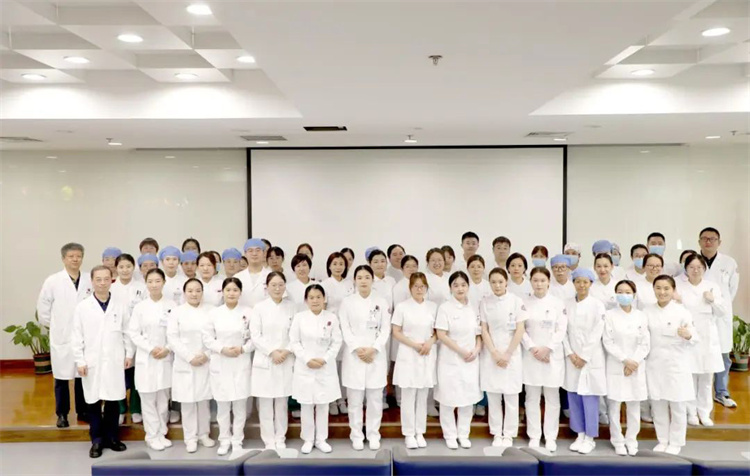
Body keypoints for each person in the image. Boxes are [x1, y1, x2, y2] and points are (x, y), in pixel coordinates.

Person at [71, 265, 130, 458]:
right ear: (92, 281)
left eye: (106, 279)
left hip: (114, 360)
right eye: (98, 279)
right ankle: (96, 440)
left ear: (111, 280)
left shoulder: (120, 305)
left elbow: (127, 332)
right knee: (93, 402)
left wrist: (129, 354)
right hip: (91, 361)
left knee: (113, 400)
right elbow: (76, 336)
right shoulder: (83, 307)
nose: (103, 283)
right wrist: (80, 360)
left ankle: (112, 438)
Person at [37, 242, 93, 428]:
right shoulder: (53, 281)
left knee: (82, 376)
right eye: (71, 256)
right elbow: (43, 308)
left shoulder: (89, 279)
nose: (75, 259)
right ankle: (62, 414)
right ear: (63, 259)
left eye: (78, 256)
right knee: (61, 377)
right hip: (62, 336)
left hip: (84, 336)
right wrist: (56, 326)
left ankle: (83, 411)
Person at [339, 265, 392, 451]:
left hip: (375, 356)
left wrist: (374, 349)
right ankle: (356, 435)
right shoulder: (347, 302)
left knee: (375, 400)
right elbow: (345, 328)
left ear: (372, 280)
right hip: (355, 356)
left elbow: (385, 329)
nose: (363, 281)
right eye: (359, 277)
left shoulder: (381, 301)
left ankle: (373, 434)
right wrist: (358, 349)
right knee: (354, 401)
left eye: (367, 277)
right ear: (354, 280)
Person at [645, 275, 698, 455]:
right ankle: (662, 440)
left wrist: (688, 335)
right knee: (658, 404)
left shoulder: (682, 312)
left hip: (676, 364)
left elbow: (694, 335)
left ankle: (676, 442)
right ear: (653, 289)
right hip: (654, 364)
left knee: (677, 405)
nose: (662, 292)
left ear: (673, 290)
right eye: (658, 288)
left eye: (666, 288)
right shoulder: (647, 312)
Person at [289, 285, 343, 454]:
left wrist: (325, 359)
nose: (315, 300)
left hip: (324, 366)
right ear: (306, 300)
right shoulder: (299, 318)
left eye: (318, 297)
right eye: (311, 297)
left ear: (324, 298)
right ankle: (308, 439)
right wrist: (307, 360)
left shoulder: (331, 318)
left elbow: (337, 342)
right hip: (305, 367)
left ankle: (321, 439)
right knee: (306, 405)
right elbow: (294, 341)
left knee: (323, 404)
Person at [202, 277, 253, 455]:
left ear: (240, 293)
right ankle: (224, 440)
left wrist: (243, 349)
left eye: (235, 290)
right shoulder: (214, 313)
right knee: (223, 406)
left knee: (239, 406)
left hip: (240, 360)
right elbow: (207, 338)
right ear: (222, 292)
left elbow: (255, 337)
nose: (231, 293)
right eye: (228, 290)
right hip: (220, 361)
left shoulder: (248, 312)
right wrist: (222, 349)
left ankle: (237, 440)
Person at [127, 268, 176, 451]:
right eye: (150, 281)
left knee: (163, 399)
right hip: (146, 358)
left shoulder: (172, 305)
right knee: (148, 400)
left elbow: (176, 332)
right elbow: (134, 333)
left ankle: (162, 432)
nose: (154, 285)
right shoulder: (140, 307)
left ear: (163, 282)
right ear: (145, 284)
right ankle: (151, 435)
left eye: (157, 281)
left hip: (165, 357)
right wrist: (150, 348)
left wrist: (167, 348)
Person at [676, 255, 727, 427]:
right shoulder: (679, 286)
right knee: (689, 376)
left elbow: (722, 312)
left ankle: (704, 412)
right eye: (691, 267)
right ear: (686, 268)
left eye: (699, 267)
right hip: (688, 335)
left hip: (707, 337)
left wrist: (713, 300)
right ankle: (691, 412)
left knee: (706, 378)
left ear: (704, 269)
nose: (695, 270)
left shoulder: (712, 286)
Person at [434, 271, 482, 449]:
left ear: (468, 287)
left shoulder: (473, 307)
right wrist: (461, 351)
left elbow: (479, 333)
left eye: (463, 285)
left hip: (471, 359)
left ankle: (463, 434)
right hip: (451, 358)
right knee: (448, 399)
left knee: (467, 399)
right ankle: (450, 435)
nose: (460, 288)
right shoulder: (445, 308)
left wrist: (476, 349)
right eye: (456, 285)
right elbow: (441, 334)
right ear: (450, 288)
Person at [166, 278, 215, 453]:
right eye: (190, 291)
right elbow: (172, 338)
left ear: (202, 292)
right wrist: (189, 357)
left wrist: (206, 354)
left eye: (198, 290)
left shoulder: (211, 311)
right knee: (187, 402)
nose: (194, 294)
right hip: (185, 362)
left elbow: (216, 336)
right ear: (184, 293)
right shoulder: (176, 312)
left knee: (203, 401)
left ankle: (204, 434)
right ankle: (190, 438)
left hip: (205, 360)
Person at [479, 268, 527, 448]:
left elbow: (520, 329)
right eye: (493, 282)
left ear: (506, 282)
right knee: (493, 396)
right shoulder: (485, 302)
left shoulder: (516, 301)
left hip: (511, 354)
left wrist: (507, 354)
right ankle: (496, 433)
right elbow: (484, 329)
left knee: (511, 396)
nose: (497, 285)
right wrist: (494, 352)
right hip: (491, 354)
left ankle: (509, 434)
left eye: (500, 281)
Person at [603, 280, 650, 456]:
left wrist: (634, 361)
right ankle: (617, 440)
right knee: (614, 405)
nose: (624, 295)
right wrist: (624, 360)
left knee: (634, 405)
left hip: (636, 366)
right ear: (615, 295)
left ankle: (631, 439)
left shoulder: (641, 316)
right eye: (620, 292)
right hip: (617, 364)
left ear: (634, 295)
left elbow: (645, 342)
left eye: (628, 292)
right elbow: (608, 341)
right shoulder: (609, 315)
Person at [522, 267, 566, 452]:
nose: (539, 284)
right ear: (530, 281)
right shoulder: (524, 303)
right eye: (535, 280)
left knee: (552, 398)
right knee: (531, 397)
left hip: (551, 356)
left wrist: (547, 349)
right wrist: (533, 348)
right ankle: (534, 435)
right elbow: (521, 330)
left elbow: (561, 329)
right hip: (531, 356)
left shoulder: (557, 303)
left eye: (542, 280)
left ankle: (550, 437)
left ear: (549, 282)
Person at [563, 268, 607, 455]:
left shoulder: (597, 305)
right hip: (572, 358)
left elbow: (597, 332)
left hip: (590, 358)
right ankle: (579, 434)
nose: (581, 285)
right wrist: (570, 353)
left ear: (591, 284)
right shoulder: (566, 304)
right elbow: (562, 331)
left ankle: (590, 437)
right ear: (573, 283)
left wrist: (584, 356)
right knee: (574, 396)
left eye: (585, 282)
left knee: (589, 397)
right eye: (578, 281)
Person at [250, 272, 296, 450]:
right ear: (267, 287)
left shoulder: (291, 307)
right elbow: (255, 335)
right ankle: (269, 440)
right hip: (266, 359)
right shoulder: (259, 308)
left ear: (285, 286)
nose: (277, 288)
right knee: (266, 403)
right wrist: (272, 352)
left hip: (285, 358)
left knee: (281, 402)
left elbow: (295, 333)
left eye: (280, 284)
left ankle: (280, 437)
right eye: (273, 285)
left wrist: (286, 351)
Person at [391, 272, 437, 449]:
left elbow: (438, 331)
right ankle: (409, 433)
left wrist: (429, 343)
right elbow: (396, 332)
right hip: (409, 353)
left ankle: (420, 432)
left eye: (422, 286)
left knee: (422, 395)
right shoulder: (402, 307)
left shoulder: (433, 307)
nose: (419, 289)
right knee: (408, 396)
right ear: (410, 288)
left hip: (427, 353)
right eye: (416, 286)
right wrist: (415, 345)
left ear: (427, 288)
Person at [698, 227, 740, 409]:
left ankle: (721, 392)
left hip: (721, 315)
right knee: (699, 355)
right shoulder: (693, 261)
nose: (708, 242)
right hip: (700, 316)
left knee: (723, 355)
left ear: (719, 242)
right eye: (705, 238)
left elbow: (732, 289)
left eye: (712, 239)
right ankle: (699, 395)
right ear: (699, 241)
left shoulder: (729, 263)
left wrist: (720, 306)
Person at [111, 254, 146, 425]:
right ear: (116, 269)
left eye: (128, 266)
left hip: (137, 336)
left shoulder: (142, 287)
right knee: (118, 375)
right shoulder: (111, 288)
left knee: (136, 375)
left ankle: (136, 409)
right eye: (121, 267)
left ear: (134, 268)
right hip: (117, 336)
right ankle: (120, 409)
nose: (125, 270)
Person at [237, 239, 271, 309]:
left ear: (264, 253)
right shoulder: (237, 278)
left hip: (266, 314)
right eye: (250, 251)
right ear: (245, 254)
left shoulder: (273, 276)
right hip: (243, 314)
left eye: (258, 250)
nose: (254, 254)